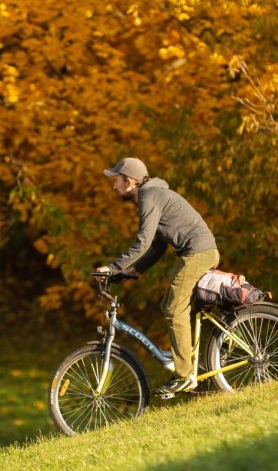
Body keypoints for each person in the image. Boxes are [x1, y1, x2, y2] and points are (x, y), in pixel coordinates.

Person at [95, 157, 219, 396]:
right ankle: (189, 362)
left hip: (198, 252)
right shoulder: (152, 195)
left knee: (174, 308)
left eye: (117, 181)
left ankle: (184, 375)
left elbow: (142, 242)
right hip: (199, 252)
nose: (114, 186)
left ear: (130, 182)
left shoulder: (149, 197)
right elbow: (157, 246)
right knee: (170, 305)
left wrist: (112, 267)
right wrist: (134, 269)